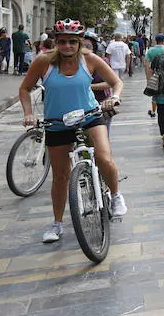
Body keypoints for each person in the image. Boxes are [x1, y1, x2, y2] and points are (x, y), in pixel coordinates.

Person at [19, 19, 127, 244]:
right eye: (62, 42)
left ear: (80, 42)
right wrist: (28, 113)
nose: (67, 46)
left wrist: (114, 98)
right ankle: (57, 223)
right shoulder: (43, 62)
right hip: (57, 122)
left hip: (90, 116)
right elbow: (24, 88)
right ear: (55, 42)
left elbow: (116, 82)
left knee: (103, 156)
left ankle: (116, 196)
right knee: (60, 176)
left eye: (72, 42)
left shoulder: (90, 59)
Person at [81, 32, 115, 134]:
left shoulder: (101, 61)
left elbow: (110, 83)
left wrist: (88, 87)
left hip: (101, 104)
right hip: (79, 107)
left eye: (88, 46)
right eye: (82, 46)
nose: (84, 49)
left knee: (102, 136)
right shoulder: (72, 64)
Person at [144, 34, 164, 118]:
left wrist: (148, 78)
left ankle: (153, 111)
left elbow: (146, 64)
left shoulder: (150, 51)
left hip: (155, 75)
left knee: (155, 94)